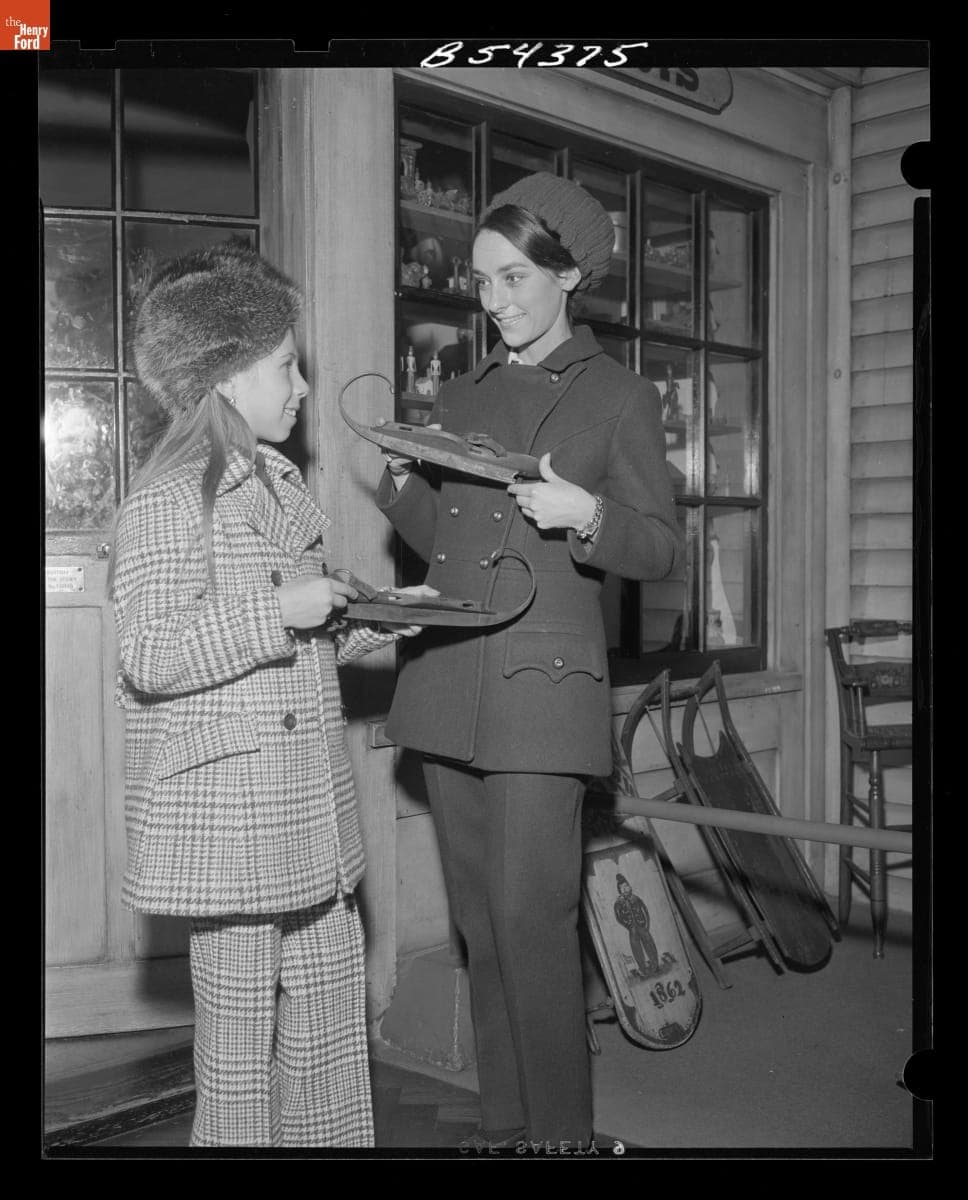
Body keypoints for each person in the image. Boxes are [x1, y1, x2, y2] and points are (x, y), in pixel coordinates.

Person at [375, 172, 682, 1147]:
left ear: (569, 275)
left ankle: (558, 1139)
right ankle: (508, 1133)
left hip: (541, 700)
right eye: (480, 281)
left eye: (514, 278)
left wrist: (587, 514)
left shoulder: (617, 398)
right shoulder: (461, 389)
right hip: (450, 686)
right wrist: (397, 487)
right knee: (484, 933)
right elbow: (453, 548)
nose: (493, 301)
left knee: (532, 933)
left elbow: (661, 548)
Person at [109, 242, 431, 1148]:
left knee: (332, 1026)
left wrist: (379, 614)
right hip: (232, 825)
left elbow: (303, 633)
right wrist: (278, 607)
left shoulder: (273, 488)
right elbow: (149, 653)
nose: (301, 386)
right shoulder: (168, 504)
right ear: (224, 376)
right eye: (287, 366)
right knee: (240, 1050)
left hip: (306, 816)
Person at [614, 874, 660, 979]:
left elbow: (645, 911)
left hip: (642, 926)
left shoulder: (636, 899)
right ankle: (643, 968)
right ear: (619, 890)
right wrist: (628, 925)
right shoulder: (619, 903)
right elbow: (618, 917)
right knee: (636, 948)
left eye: (627, 886)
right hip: (632, 929)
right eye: (622, 888)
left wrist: (646, 925)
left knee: (649, 944)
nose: (625, 889)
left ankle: (655, 965)